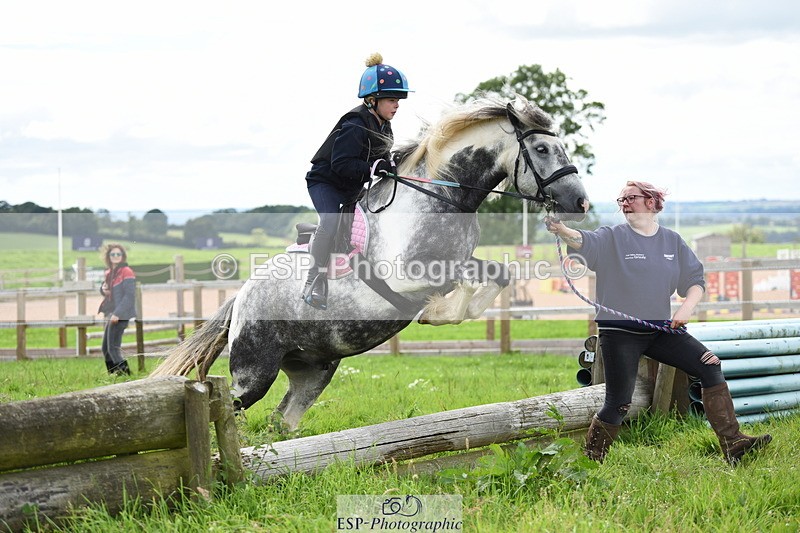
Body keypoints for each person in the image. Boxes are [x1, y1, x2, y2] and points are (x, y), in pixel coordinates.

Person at [545, 180, 772, 465]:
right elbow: (583, 241)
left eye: (631, 198)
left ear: (651, 202)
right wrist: (562, 230)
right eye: (621, 200)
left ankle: (734, 443)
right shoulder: (612, 237)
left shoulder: (672, 241)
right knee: (619, 403)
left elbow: (695, 281)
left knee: (710, 365)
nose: (624, 204)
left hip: (660, 330)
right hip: (620, 333)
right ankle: (590, 462)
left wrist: (685, 309)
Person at [301, 52, 411, 310]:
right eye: (392, 100)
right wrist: (374, 167)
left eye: (398, 100)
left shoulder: (385, 127)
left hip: (352, 186)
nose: (397, 105)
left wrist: (391, 165)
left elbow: (380, 160)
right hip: (326, 183)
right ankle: (312, 281)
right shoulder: (355, 124)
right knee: (331, 221)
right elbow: (341, 164)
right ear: (373, 100)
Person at [98, 243, 136, 375]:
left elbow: (129, 296)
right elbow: (108, 291)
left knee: (113, 348)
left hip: (121, 314)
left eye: (118, 254)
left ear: (123, 256)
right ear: (108, 256)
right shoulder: (110, 273)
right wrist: (103, 290)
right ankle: (113, 375)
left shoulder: (127, 271)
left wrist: (117, 314)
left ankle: (126, 374)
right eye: (113, 254)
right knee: (105, 349)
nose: (115, 256)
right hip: (111, 312)